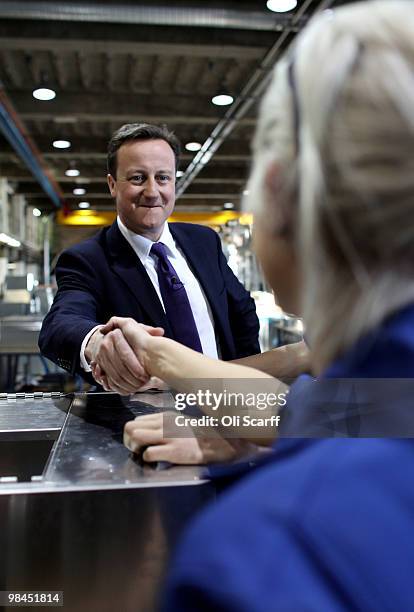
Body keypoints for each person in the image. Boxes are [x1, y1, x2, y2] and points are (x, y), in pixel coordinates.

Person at [94, 1, 414, 608]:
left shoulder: (266, 551)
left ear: (279, 197)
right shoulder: (389, 397)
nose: (154, 191)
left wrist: (158, 354)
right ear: (113, 184)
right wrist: (249, 434)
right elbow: (324, 409)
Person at [38, 123, 264, 392]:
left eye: (163, 178)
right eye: (137, 178)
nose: (152, 191)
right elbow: (61, 324)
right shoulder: (87, 260)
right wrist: (97, 342)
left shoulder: (203, 241)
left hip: (223, 410)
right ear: (112, 184)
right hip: (146, 421)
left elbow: (242, 315)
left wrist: (249, 391)